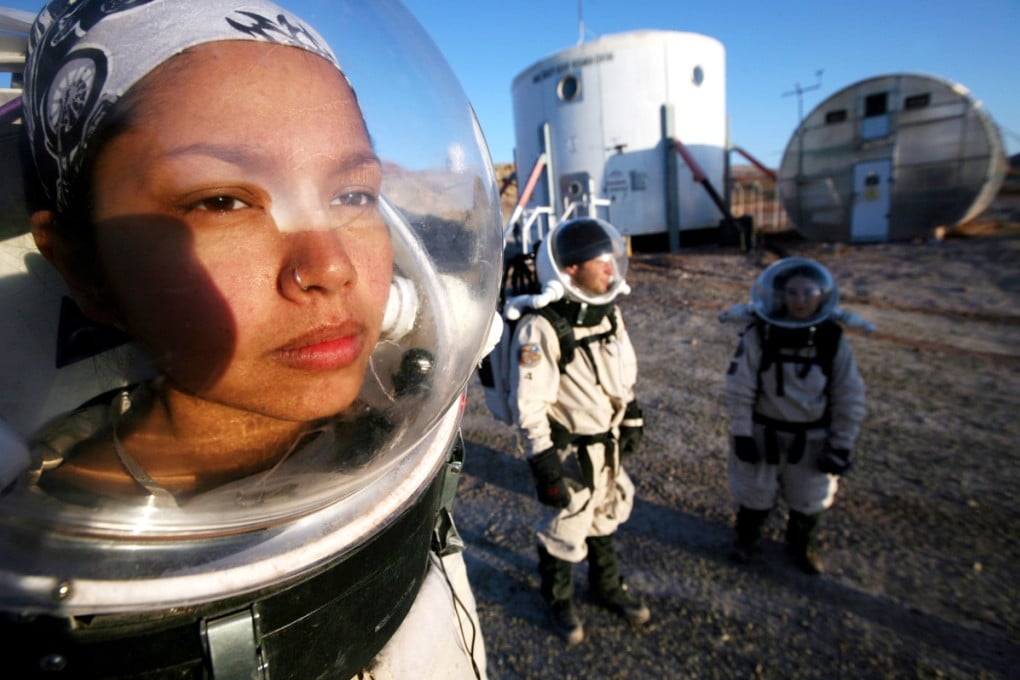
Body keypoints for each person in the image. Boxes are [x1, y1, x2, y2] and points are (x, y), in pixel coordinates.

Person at [0, 1, 502, 677]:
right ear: (86, 268)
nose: (330, 267)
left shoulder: (384, 433)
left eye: (353, 194)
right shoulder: (54, 530)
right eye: (224, 201)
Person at [507, 217, 650, 645]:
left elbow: (621, 375)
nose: (611, 269)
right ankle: (558, 598)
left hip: (605, 446)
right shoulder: (542, 326)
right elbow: (528, 406)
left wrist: (631, 415)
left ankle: (606, 586)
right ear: (570, 268)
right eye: (600, 261)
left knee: (605, 514)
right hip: (570, 452)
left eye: (612, 259)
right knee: (563, 526)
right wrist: (544, 465)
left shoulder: (608, 313)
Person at [722, 257, 867, 574]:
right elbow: (739, 387)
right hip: (764, 433)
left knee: (810, 498)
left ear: (822, 295)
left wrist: (841, 444)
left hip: (812, 438)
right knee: (754, 493)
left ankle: (802, 546)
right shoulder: (760, 335)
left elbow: (849, 396)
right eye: (793, 293)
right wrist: (742, 432)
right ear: (781, 295)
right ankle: (747, 540)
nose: (800, 300)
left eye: (808, 292)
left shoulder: (832, 340)